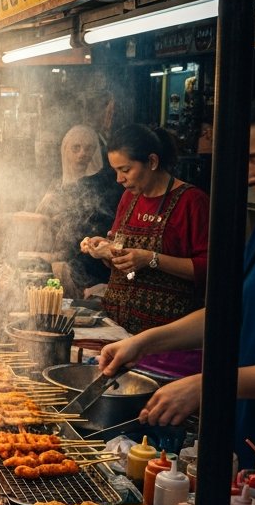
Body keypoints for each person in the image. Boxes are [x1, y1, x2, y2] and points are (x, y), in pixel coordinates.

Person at [99, 93, 255, 468]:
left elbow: (208, 270)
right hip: (248, 439)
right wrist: (143, 344)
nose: (250, 175)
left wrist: (207, 384)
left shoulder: (191, 201)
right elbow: (230, 315)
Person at [80, 124, 209, 378]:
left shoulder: (192, 201)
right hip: (117, 334)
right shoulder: (129, 198)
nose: (119, 179)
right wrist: (104, 250)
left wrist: (152, 259)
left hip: (166, 350)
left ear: (151, 161)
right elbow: (120, 256)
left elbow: (210, 269)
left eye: (125, 170)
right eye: (116, 171)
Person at [35, 124, 122, 296]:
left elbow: (93, 241)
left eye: (89, 148)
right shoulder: (55, 185)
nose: (82, 154)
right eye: (76, 148)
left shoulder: (105, 191)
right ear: (64, 150)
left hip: (89, 275)